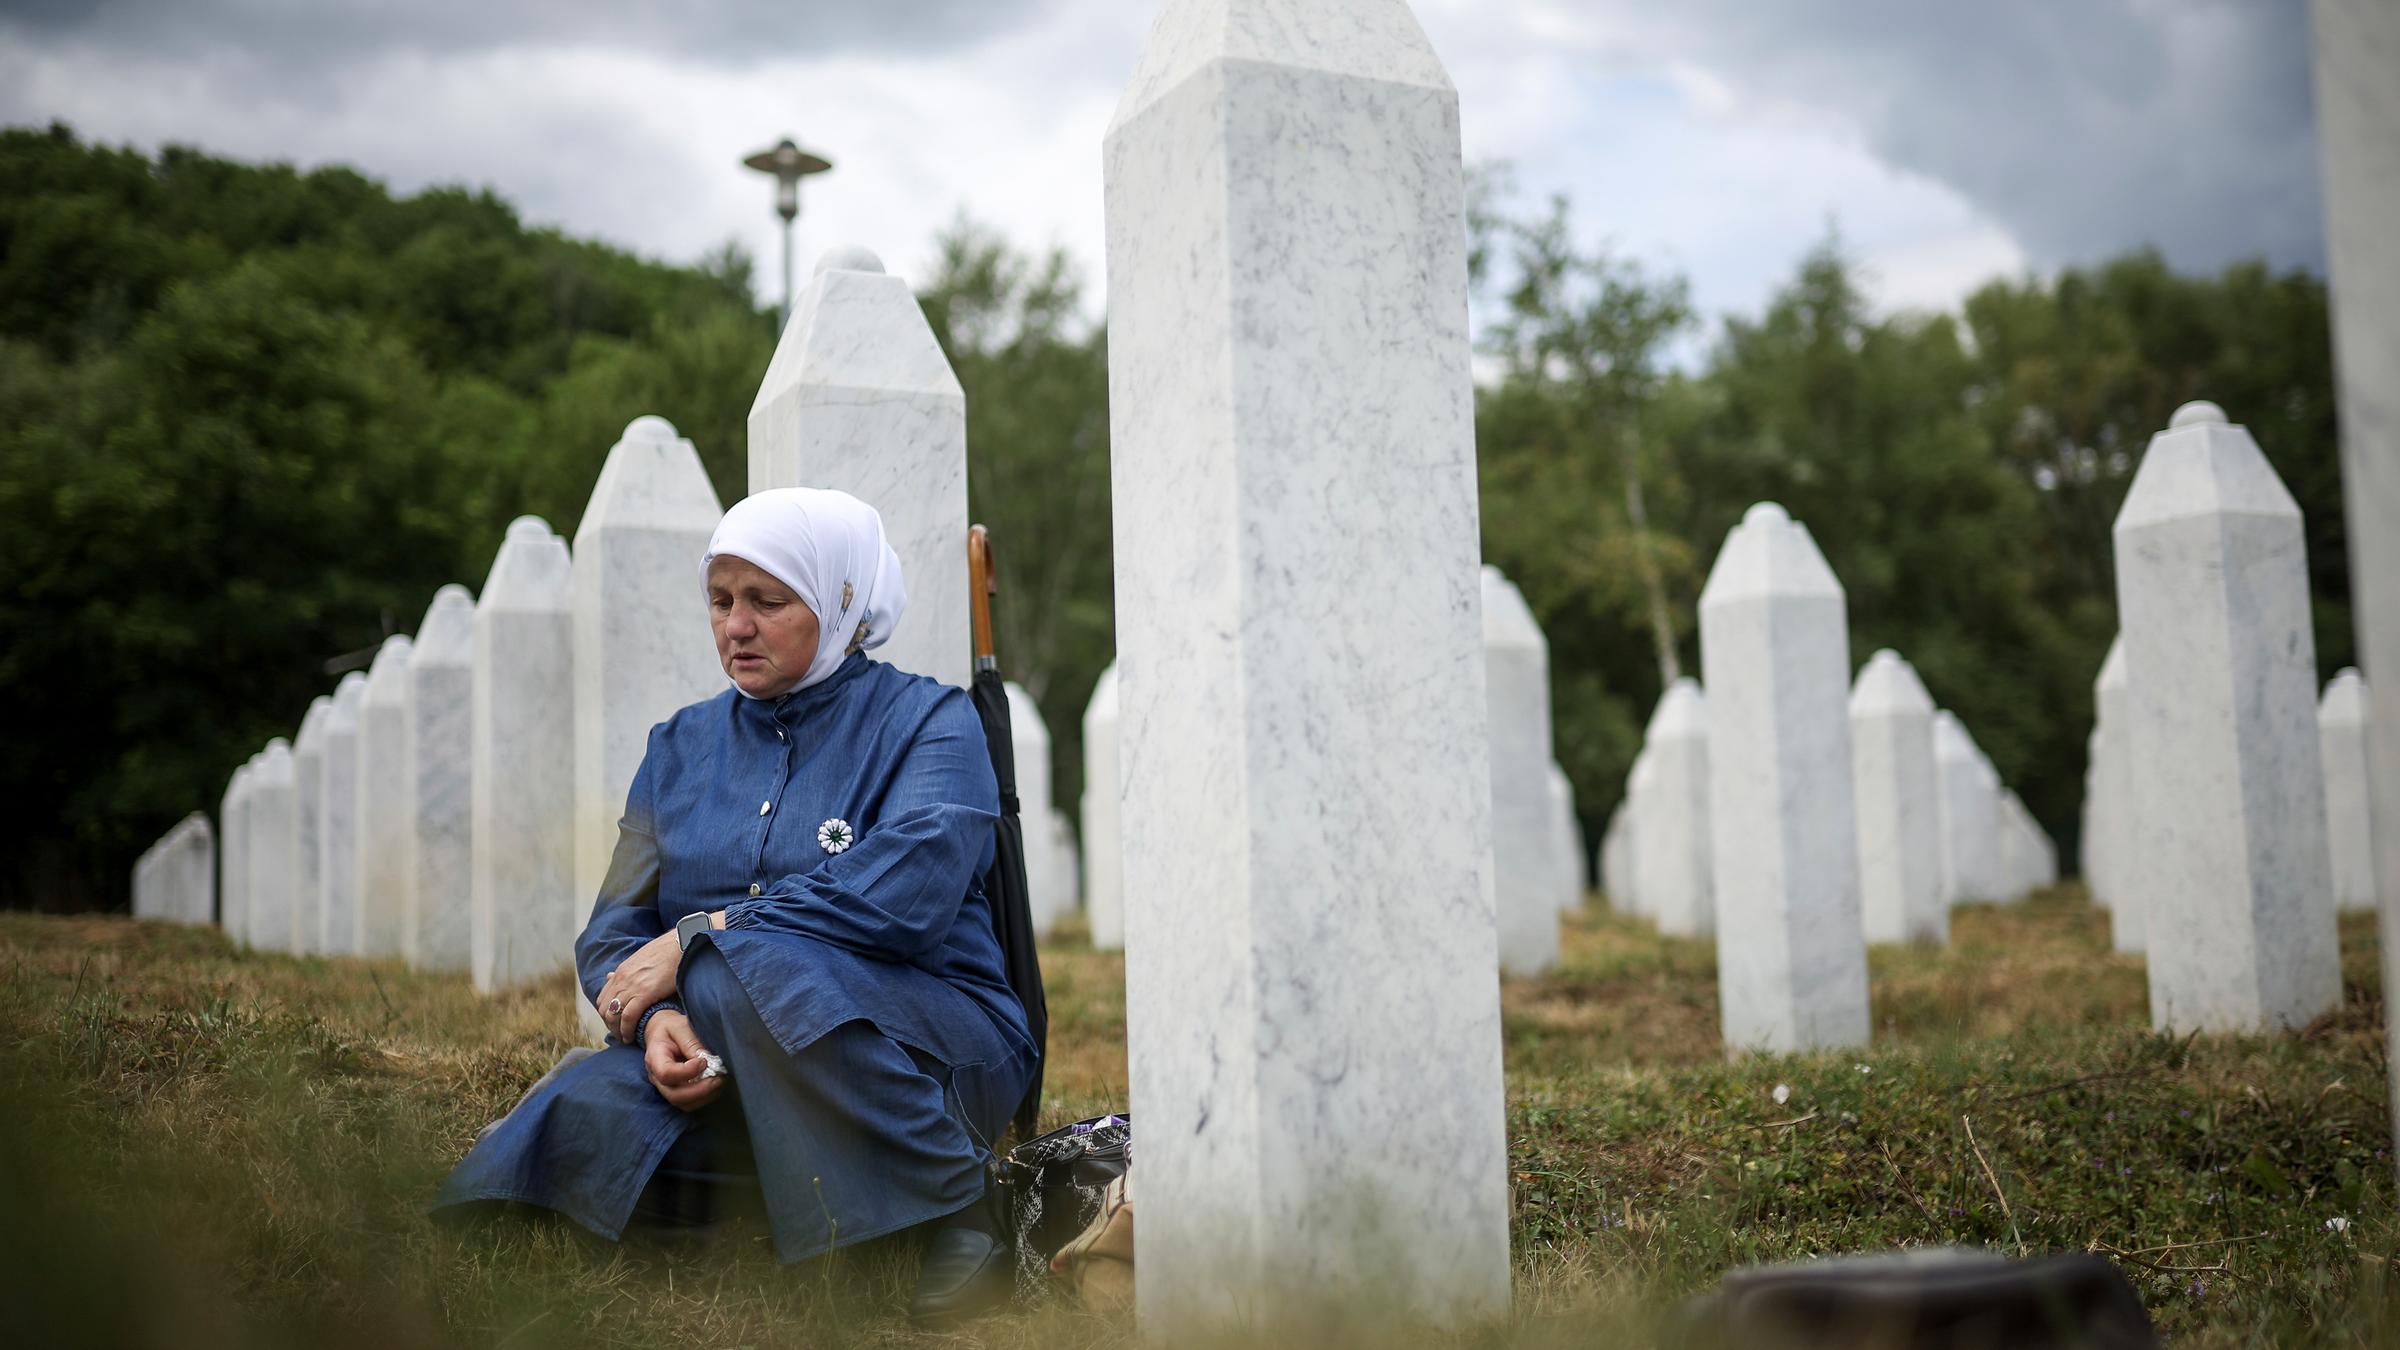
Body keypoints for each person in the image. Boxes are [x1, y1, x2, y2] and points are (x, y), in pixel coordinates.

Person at [435, 487, 1031, 1324]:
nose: (735, 627)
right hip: (735, 1052)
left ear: (841, 601)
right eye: (720, 601)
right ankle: (825, 1206)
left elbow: (910, 896)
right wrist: (654, 1024)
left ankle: (961, 1203)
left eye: (767, 601)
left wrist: (705, 937)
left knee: (732, 968)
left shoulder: (929, 721)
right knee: (584, 1105)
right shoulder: (678, 745)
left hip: (929, 1040)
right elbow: (613, 932)